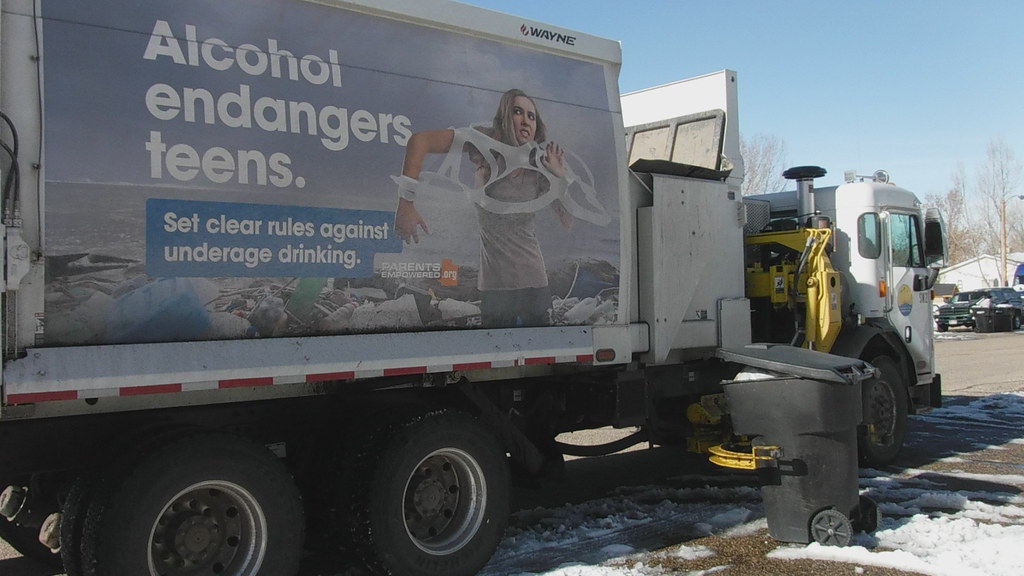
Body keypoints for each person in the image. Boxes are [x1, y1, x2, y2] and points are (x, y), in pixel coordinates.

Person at [394, 89, 573, 327]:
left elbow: (567, 220)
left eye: (531, 116)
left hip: (534, 282)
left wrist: (559, 177)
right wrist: (406, 203)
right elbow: (420, 141)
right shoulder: (483, 143)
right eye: (517, 112)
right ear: (504, 116)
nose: (525, 120)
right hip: (494, 286)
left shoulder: (538, 165)